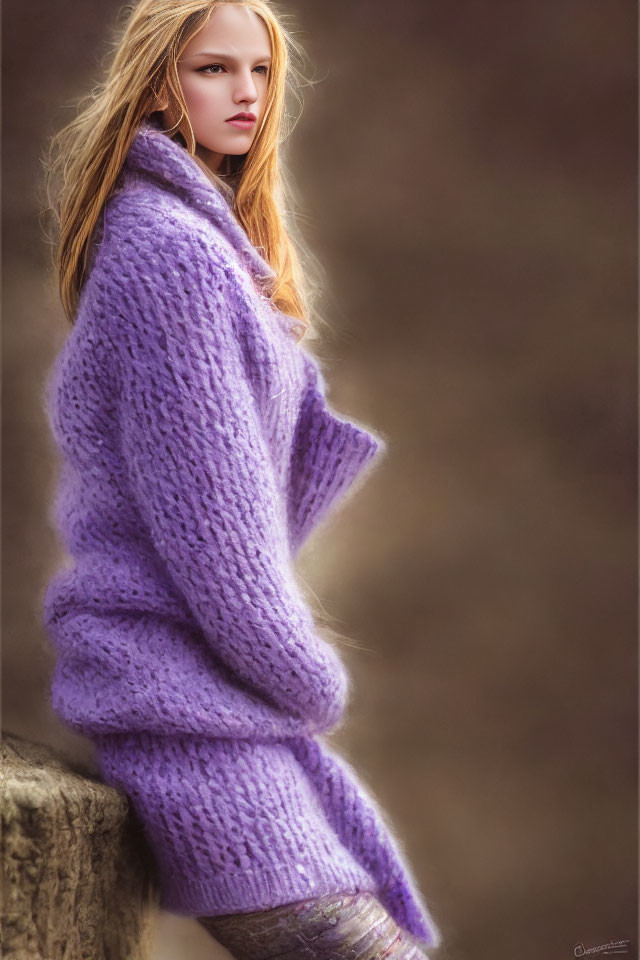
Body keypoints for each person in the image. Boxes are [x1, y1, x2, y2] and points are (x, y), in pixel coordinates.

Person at [39, 1, 443, 956]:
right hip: (183, 714)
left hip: (218, 702)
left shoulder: (200, 244)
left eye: (260, 72)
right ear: (156, 81)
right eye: (213, 69)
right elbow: (216, 540)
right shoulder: (172, 256)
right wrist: (310, 676)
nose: (247, 94)